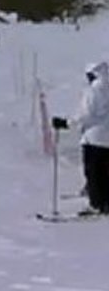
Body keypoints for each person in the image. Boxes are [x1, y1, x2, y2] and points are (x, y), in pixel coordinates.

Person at [52, 62, 109, 214]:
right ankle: (105, 202)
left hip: (94, 137)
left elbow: (86, 115)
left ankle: (96, 204)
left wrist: (66, 123)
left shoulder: (94, 91)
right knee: (104, 171)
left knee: (93, 172)